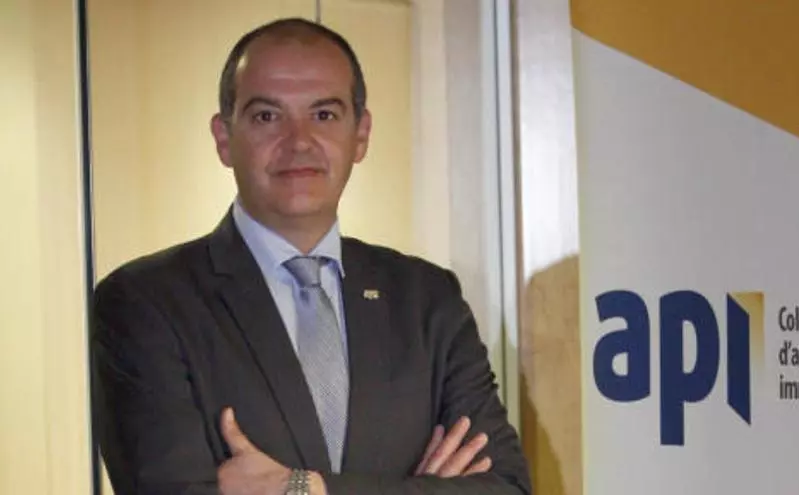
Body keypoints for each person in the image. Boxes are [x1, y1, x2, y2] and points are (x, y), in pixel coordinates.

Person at [92, 17, 530, 495]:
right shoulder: (146, 303)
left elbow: (507, 487)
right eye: (267, 116)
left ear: (360, 135)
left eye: (324, 115)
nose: (298, 140)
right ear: (223, 138)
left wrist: (304, 487)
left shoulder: (427, 298)